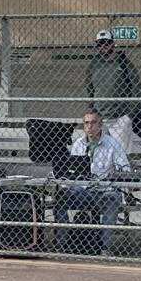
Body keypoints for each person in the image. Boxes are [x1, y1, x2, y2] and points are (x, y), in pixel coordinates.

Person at [54, 108, 130, 256]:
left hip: (102, 192)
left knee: (112, 199)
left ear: (100, 124)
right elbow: (71, 170)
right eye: (86, 123)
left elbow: (125, 168)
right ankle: (61, 246)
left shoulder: (112, 144)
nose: (89, 127)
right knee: (60, 199)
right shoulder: (78, 144)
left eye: (93, 123)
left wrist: (111, 177)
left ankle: (105, 248)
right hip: (81, 191)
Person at [85, 30, 141, 154]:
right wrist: (91, 108)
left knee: (121, 153)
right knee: (100, 153)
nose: (103, 46)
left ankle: (123, 173)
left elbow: (138, 89)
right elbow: (89, 88)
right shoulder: (93, 64)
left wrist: (129, 115)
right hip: (100, 118)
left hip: (120, 117)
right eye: (100, 44)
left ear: (112, 44)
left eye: (106, 43)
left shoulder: (124, 63)